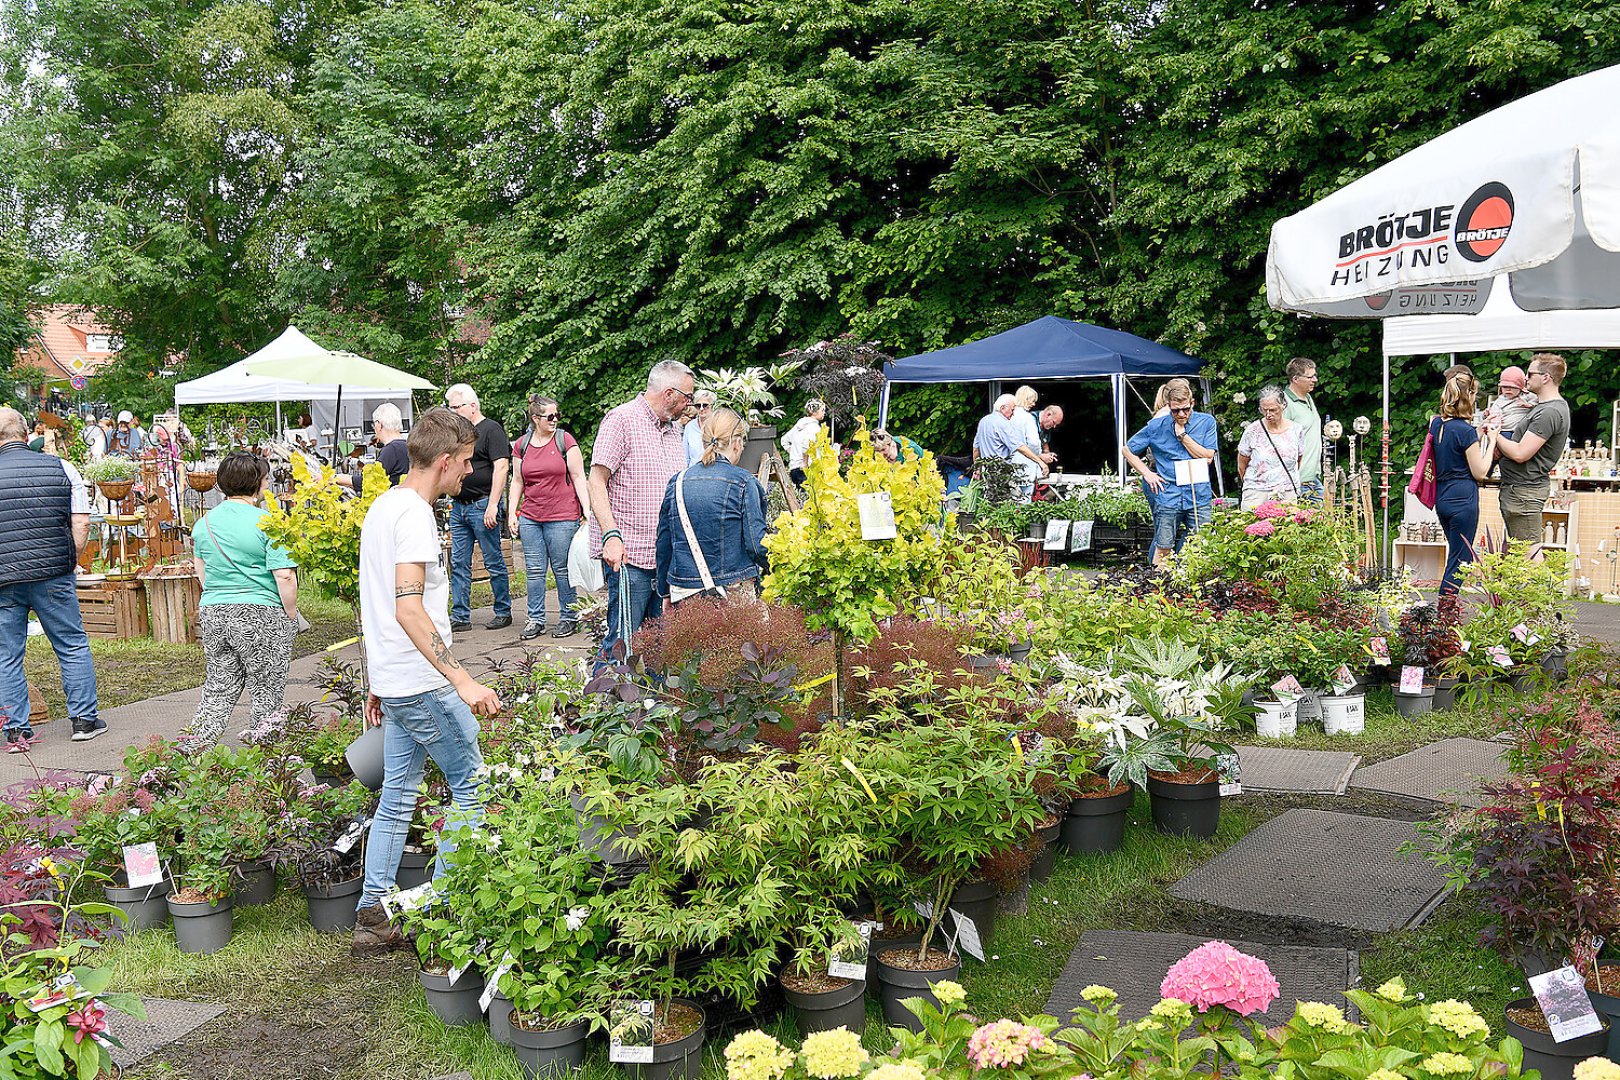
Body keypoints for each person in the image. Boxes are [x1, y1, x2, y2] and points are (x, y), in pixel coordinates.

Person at [352, 406, 501, 958]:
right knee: (474, 785)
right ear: (443, 461)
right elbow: (408, 608)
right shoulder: (414, 515)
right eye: (465, 462)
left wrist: (377, 677)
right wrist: (463, 681)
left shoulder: (382, 507)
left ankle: (374, 905)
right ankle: (440, 908)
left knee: (396, 793)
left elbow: (371, 602)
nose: (469, 472)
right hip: (422, 682)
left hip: (396, 679)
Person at [0, 407, 104, 750]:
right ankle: (84, 720)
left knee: (7, 653)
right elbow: (82, 522)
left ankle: (15, 729)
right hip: (53, 573)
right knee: (71, 643)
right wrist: (69, 559)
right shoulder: (62, 468)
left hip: (4, 577)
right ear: (27, 433)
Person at [186, 452, 301, 746]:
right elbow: (284, 576)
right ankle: (266, 766)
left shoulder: (204, 524)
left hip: (214, 613)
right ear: (257, 484)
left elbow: (203, 574)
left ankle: (186, 755)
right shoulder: (269, 522)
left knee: (217, 692)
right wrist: (291, 615)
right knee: (265, 695)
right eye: (265, 480)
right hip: (260, 615)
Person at [589, 359, 693, 659]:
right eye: (686, 398)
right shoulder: (621, 420)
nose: (688, 406)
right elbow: (595, 481)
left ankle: (653, 704)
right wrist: (611, 535)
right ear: (669, 394)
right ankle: (604, 703)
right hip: (629, 556)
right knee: (623, 643)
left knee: (658, 646)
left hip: (664, 559)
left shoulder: (675, 432)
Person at [655, 407, 769, 605]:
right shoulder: (743, 483)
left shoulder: (677, 482)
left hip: (685, 593)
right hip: (734, 590)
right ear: (736, 443)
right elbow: (756, 545)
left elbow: (665, 544)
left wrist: (664, 592)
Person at [507, 395, 590, 641]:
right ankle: (535, 619)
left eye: (557, 415)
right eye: (550, 416)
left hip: (562, 515)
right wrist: (512, 512)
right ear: (535, 418)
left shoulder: (565, 441)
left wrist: (587, 509)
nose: (555, 420)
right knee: (533, 570)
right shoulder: (522, 445)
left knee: (562, 569)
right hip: (531, 516)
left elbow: (578, 476)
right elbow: (517, 481)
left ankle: (569, 617)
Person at [1122, 378, 1217, 566]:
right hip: (1168, 494)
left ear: (1192, 403)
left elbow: (1207, 456)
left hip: (1198, 493)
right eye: (1175, 410)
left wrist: (1182, 435)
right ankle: (1158, 588)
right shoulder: (1156, 425)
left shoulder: (1206, 422)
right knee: (1164, 544)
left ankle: (1192, 584)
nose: (1181, 414)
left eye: (1185, 409)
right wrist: (1147, 474)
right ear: (1168, 406)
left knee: (1201, 542)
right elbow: (1127, 450)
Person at [443, 384, 513, 632]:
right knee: (459, 562)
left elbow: (501, 467)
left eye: (456, 407)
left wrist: (493, 504)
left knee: (493, 560)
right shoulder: (456, 434)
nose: (452, 412)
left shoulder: (491, 430)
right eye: (449, 407)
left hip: (482, 503)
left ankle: (503, 610)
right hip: (460, 505)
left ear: (472, 406)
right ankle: (461, 615)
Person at [1429, 371, 1498, 595]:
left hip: (1442, 498)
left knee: (1455, 555)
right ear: (1467, 396)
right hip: (1463, 499)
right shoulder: (1465, 430)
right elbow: (1480, 472)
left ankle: (1445, 610)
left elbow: (1453, 448)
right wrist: (1492, 440)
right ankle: (1445, 613)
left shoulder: (1437, 425)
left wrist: (1476, 433)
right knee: (1461, 560)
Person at [1495, 353, 1572, 543]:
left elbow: (1521, 453)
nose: (1525, 379)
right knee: (1520, 554)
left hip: (1524, 492)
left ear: (1546, 378)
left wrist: (1494, 433)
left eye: (1530, 374)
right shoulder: (1542, 406)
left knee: (1529, 554)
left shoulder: (1549, 412)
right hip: (1520, 491)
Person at [1236, 386, 1305, 508]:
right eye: (1264, 410)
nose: (1268, 414)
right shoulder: (1252, 430)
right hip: (1256, 493)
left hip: (1287, 492)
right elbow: (1242, 465)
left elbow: (1297, 461)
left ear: (1283, 405)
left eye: (1273, 410)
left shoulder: (1296, 430)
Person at [973, 394, 1045, 498]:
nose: (1013, 414)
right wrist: (1039, 461)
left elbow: (976, 448)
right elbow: (1019, 446)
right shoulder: (1002, 423)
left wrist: (977, 469)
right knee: (1019, 501)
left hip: (987, 473)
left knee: (990, 503)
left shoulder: (984, 421)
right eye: (1012, 410)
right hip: (1002, 473)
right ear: (1002, 408)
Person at [336, 403, 409, 489]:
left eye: (374, 424)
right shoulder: (407, 445)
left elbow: (369, 482)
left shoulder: (391, 449)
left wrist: (336, 478)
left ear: (379, 425)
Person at [1281, 358, 1323, 500]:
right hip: (1297, 481)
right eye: (1310, 377)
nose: (1315, 379)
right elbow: (1280, 440)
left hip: (1312, 477)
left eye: (1314, 375)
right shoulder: (1284, 403)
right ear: (1295, 379)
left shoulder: (1308, 398)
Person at [780, 400, 826, 485]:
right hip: (807, 469)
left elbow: (784, 440)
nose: (824, 413)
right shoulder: (814, 428)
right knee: (810, 497)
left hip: (794, 468)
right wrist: (804, 462)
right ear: (814, 413)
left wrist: (794, 454)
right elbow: (807, 445)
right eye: (822, 410)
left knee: (800, 496)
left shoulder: (799, 425)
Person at [1483, 366, 1535, 435]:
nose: (1508, 389)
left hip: (1523, 430)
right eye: (1505, 387)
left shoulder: (1526, 396)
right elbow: (1493, 413)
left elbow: (1539, 402)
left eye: (1512, 387)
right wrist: (1487, 414)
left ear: (1520, 387)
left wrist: (1529, 405)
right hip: (1505, 430)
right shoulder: (1500, 400)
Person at [682, 389, 717, 466]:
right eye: (698, 406)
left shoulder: (718, 425)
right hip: (693, 473)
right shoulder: (690, 427)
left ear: (712, 406)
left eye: (705, 405)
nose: (701, 409)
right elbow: (685, 456)